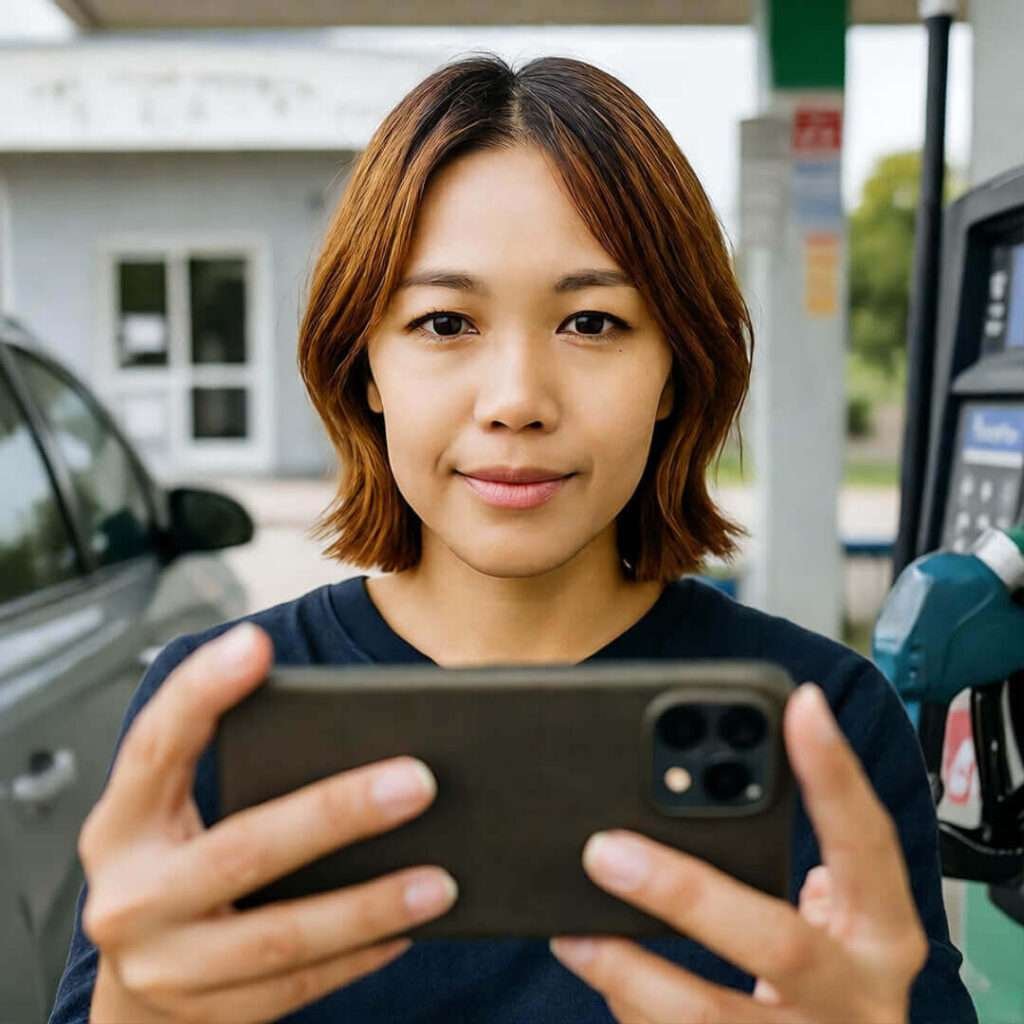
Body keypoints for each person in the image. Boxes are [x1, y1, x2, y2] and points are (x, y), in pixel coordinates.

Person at [50, 54, 977, 1023]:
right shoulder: (212, 715)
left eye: (592, 321)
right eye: (445, 321)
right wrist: (133, 1009)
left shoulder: (827, 726)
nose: (517, 400)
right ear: (364, 365)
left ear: (675, 369)